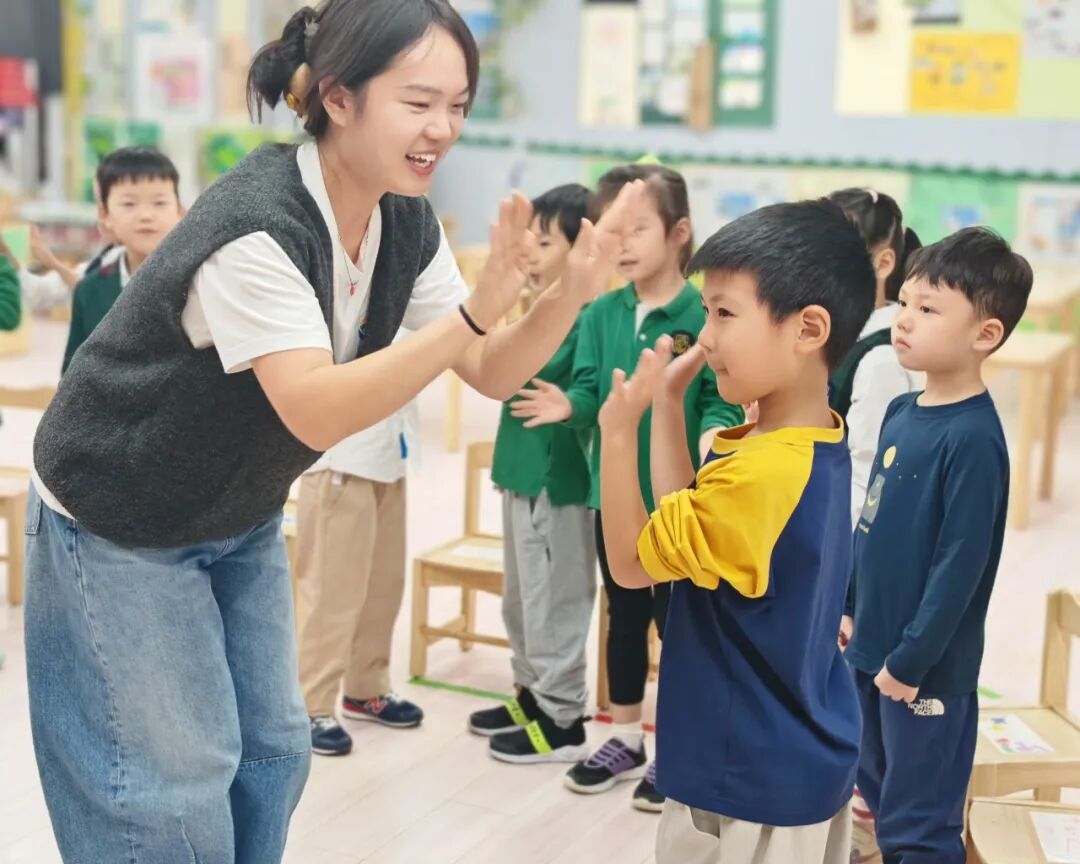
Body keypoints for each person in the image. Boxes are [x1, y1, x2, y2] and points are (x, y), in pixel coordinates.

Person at [23, 2, 643, 860]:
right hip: (119, 508)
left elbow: (492, 370)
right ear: (340, 98)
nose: (443, 128)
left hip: (234, 503)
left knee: (274, 753)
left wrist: (569, 295)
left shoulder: (402, 217)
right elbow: (314, 406)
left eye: (458, 106)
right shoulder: (256, 226)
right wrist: (472, 313)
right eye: (419, 102)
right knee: (171, 785)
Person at [597, 199, 875, 863]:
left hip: (748, 776)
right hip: (789, 755)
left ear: (808, 328)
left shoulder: (762, 473)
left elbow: (632, 566)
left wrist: (616, 434)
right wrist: (668, 406)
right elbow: (687, 526)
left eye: (724, 312)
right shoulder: (802, 439)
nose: (706, 336)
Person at [511, 164, 742, 810]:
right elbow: (591, 389)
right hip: (612, 502)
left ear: (680, 232)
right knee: (623, 618)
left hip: (678, 506)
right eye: (615, 230)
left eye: (640, 228)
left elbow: (720, 396)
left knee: (681, 631)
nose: (625, 244)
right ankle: (625, 737)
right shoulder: (600, 313)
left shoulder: (703, 314)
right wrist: (571, 405)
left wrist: (713, 433)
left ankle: (678, 749)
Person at [842, 228, 1032, 864]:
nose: (904, 319)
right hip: (870, 651)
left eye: (928, 309)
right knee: (879, 792)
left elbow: (960, 568)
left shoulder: (974, 439)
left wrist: (911, 662)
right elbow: (869, 524)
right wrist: (849, 606)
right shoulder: (902, 411)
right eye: (904, 302)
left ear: (986, 334)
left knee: (919, 828)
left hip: (924, 673)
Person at [468, 183, 597, 764]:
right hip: (519, 472)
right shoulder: (535, 310)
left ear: (581, 248)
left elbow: (582, 388)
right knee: (521, 600)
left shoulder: (586, 317)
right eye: (530, 240)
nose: (532, 253)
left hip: (557, 479)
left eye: (545, 242)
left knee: (556, 602)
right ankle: (530, 693)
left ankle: (563, 716)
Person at [827, 187, 921, 526]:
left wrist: (836, 550)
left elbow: (866, 479)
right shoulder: (836, 334)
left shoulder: (882, 358)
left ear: (883, 263)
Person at [62, 147, 183, 372]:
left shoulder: (197, 283)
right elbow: (73, 376)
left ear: (180, 211)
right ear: (105, 215)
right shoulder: (88, 291)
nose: (146, 215)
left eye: (159, 203)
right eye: (129, 204)